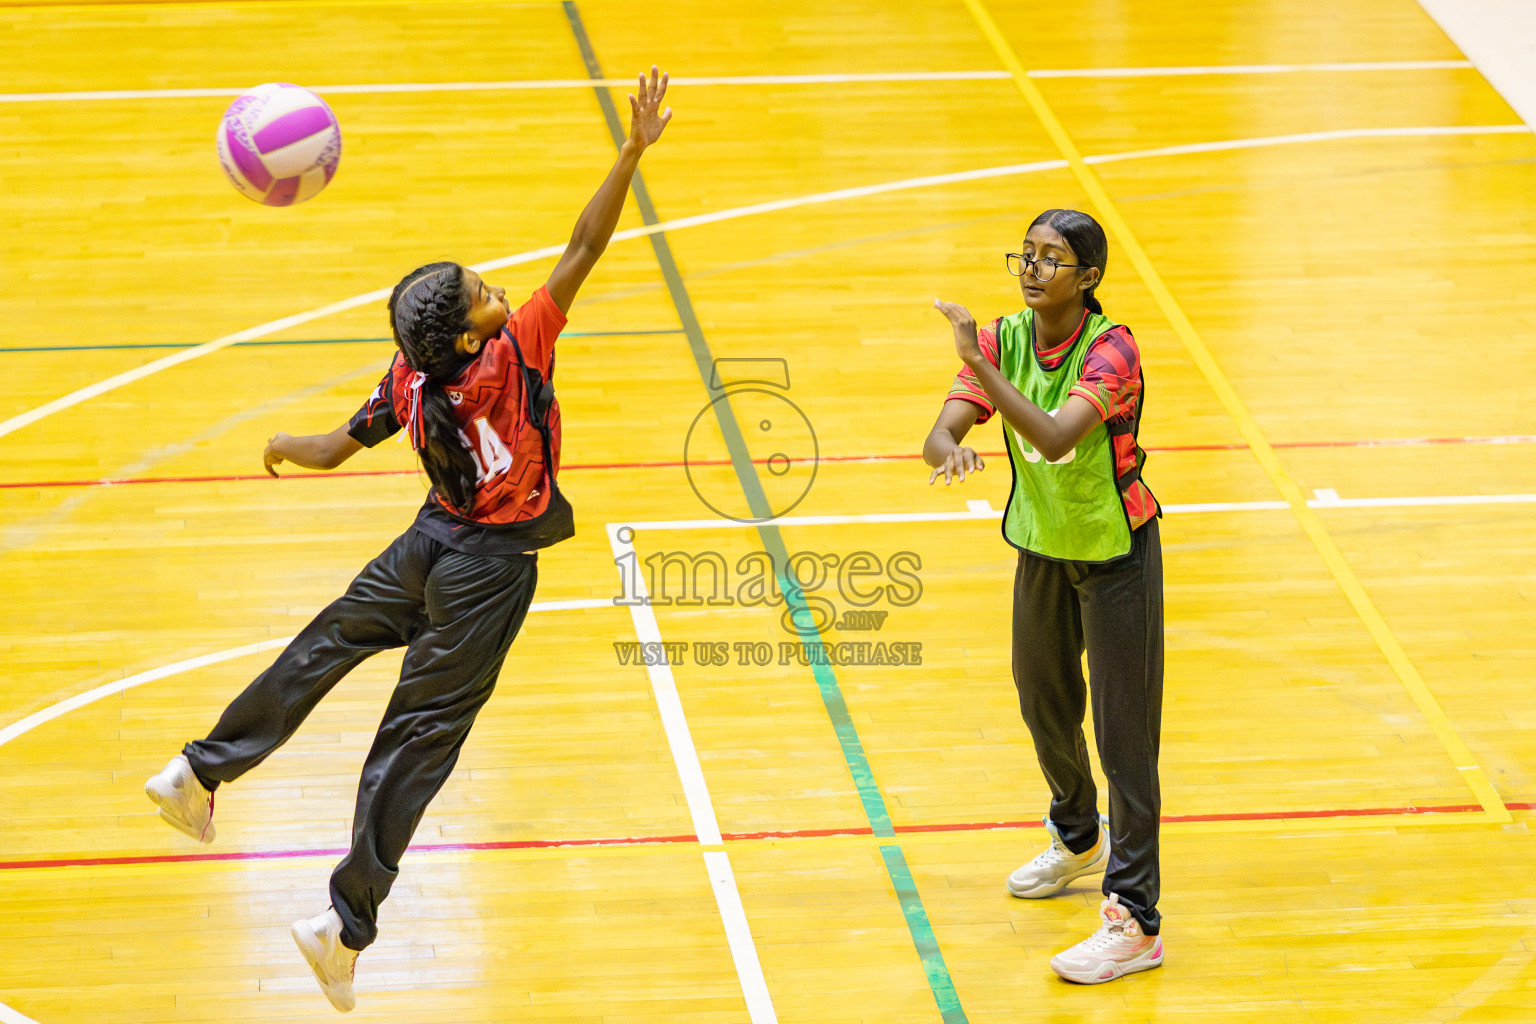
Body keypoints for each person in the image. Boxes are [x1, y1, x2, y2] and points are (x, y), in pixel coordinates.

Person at [144, 67, 674, 1014]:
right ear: (472, 338)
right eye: (480, 292)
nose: (495, 286)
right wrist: (631, 149)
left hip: (425, 546)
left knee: (328, 641)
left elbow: (335, 450)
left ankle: (198, 767)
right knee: (419, 738)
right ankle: (345, 927)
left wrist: (282, 446)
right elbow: (587, 243)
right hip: (485, 570)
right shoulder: (517, 351)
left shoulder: (410, 376)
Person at [925, 209, 1165, 985]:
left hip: (1116, 556)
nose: (1031, 269)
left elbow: (1059, 436)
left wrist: (979, 366)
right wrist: (951, 445)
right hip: (1041, 547)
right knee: (1042, 701)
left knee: (1124, 739)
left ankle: (1135, 921)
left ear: (1088, 277)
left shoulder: (1112, 350)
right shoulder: (1004, 339)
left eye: (1051, 259)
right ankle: (1076, 835)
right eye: (1024, 255)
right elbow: (942, 429)